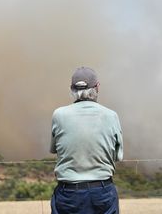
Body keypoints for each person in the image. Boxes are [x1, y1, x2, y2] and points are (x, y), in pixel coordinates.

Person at [50, 67, 123, 214]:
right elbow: (118, 156)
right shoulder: (111, 116)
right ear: (97, 87)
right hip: (102, 193)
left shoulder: (58, 115)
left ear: (72, 89)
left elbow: (54, 150)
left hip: (68, 193)